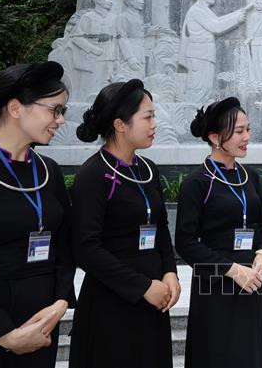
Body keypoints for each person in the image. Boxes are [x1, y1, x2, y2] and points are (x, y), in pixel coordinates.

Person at [69, 79, 179, 368]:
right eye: (148, 116)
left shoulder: (148, 170)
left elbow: (161, 229)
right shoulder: (93, 175)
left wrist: (170, 272)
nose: (155, 123)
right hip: (112, 304)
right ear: (120, 124)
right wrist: (142, 286)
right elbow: (86, 249)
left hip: (154, 298)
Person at [0, 61, 75, 368]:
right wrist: (3, 334)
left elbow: (65, 243)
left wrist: (60, 303)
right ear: (15, 108)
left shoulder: (48, 170)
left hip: (43, 325)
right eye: (55, 109)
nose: (60, 121)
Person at [175, 97, 262, 368]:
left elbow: (261, 224)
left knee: (248, 355)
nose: (247, 137)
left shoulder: (250, 176)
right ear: (215, 137)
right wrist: (232, 270)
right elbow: (185, 242)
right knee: (217, 354)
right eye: (239, 131)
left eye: (247, 129)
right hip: (215, 284)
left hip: (252, 282)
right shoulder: (196, 183)